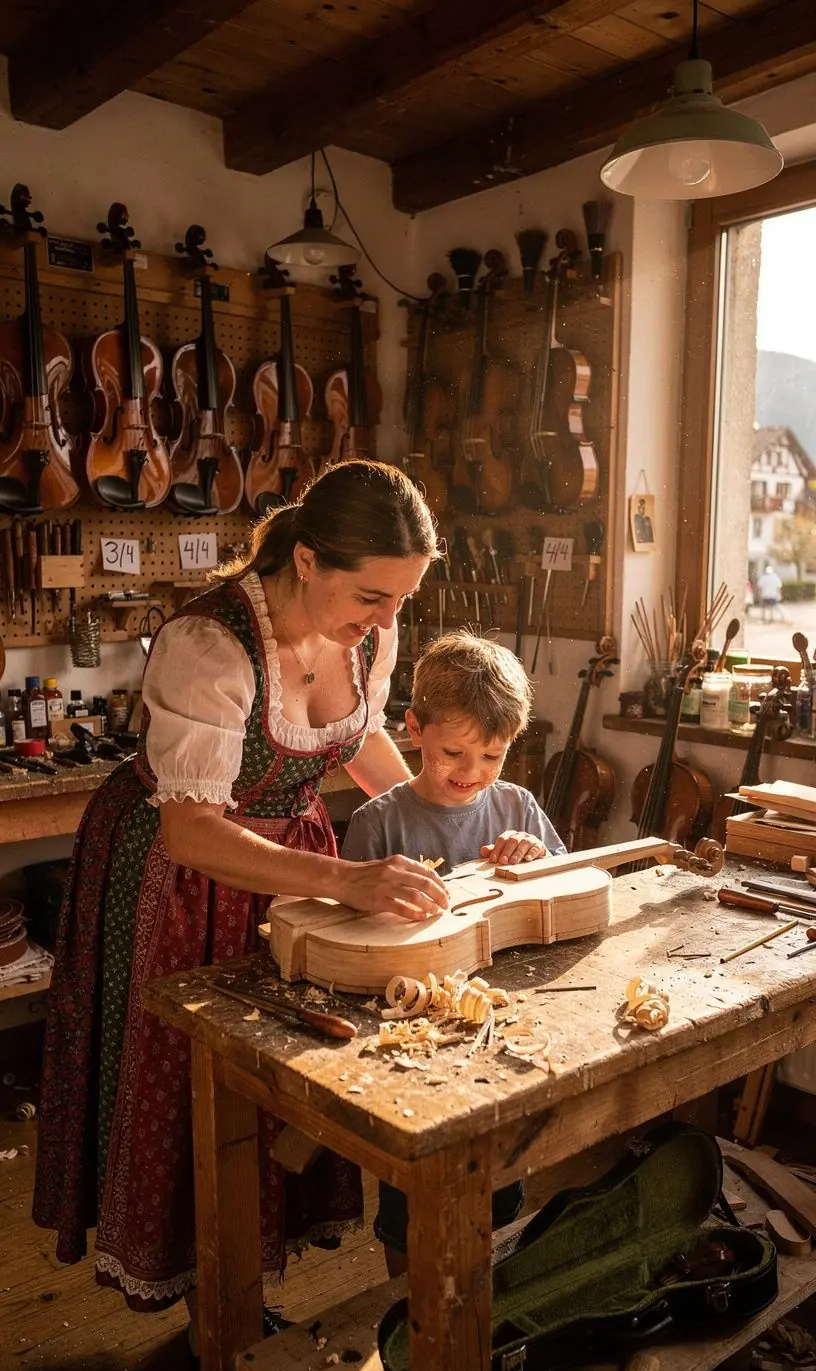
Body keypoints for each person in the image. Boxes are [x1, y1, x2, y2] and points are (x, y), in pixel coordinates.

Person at [33, 461, 450, 1323]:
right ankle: (207, 1311)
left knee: (280, 1075)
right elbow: (191, 829)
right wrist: (348, 880)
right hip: (175, 872)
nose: (386, 618)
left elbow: (359, 738)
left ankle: (239, 1289)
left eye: (402, 599)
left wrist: (428, 821)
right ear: (306, 561)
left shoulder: (369, 637)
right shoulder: (208, 643)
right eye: (373, 596)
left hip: (288, 865)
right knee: (186, 1081)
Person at [341, 630, 565, 1275]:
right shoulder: (379, 823)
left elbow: (567, 889)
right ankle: (402, 1304)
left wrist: (538, 859)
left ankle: (484, 1296)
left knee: (499, 1176)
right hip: (409, 1025)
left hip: (504, 1016)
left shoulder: (516, 805)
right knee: (412, 1187)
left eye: (492, 755)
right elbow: (349, 938)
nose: (472, 773)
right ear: (412, 729)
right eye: (454, 752)